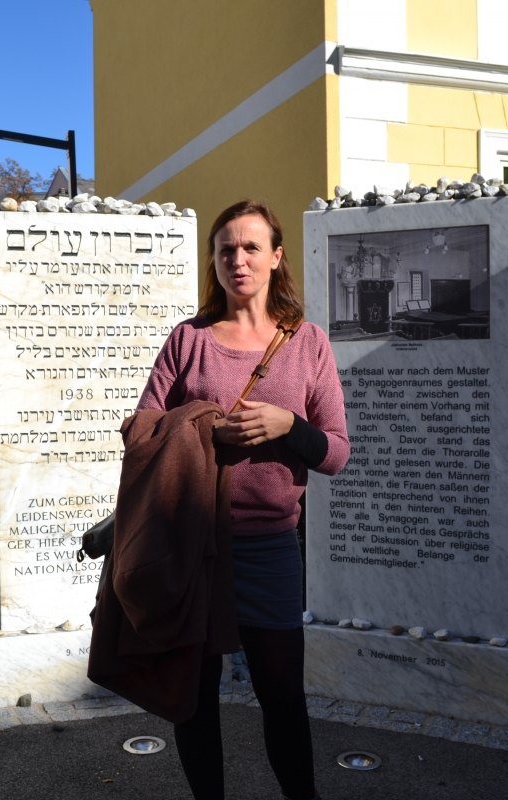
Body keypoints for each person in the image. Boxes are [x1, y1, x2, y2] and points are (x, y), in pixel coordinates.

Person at [136, 200, 350, 800]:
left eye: (252, 247)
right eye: (226, 248)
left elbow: (335, 453)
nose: (239, 259)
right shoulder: (189, 340)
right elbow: (140, 429)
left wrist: (287, 424)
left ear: (277, 257)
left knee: (283, 697)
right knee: (194, 698)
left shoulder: (308, 344)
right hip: (191, 547)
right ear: (214, 259)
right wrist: (205, 426)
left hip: (270, 548)